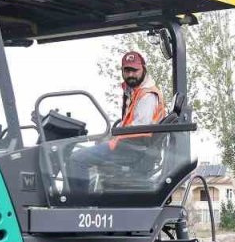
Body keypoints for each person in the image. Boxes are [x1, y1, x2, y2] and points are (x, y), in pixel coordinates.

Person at [66, 50, 166, 197]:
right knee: (87, 152)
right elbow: (130, 123)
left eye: (134, 70)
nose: (131, 75)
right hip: (131, 147)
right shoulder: (135, 92)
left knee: (77, 159)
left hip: (134, 150)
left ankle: (78, 205)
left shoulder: (148, 95)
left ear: (143, 69)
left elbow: (140, 130)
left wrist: (112, 139)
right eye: (127, 70)